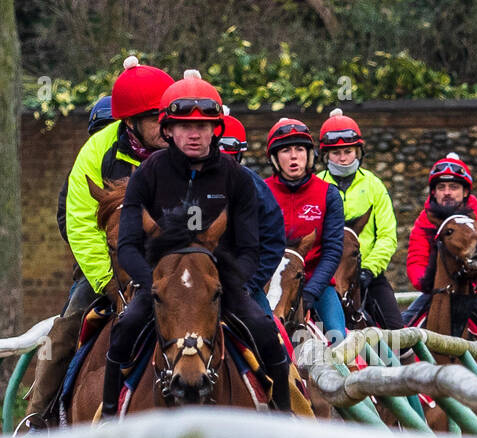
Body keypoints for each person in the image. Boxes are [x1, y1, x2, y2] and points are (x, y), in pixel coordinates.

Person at [103, 70, 293, 417]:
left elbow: (251, 249)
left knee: (266, 332)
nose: (195, 135)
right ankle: (108, 418)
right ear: (168, 130)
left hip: (222, 284)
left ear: (215, 129)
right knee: (125, 328)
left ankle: (283, 419)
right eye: (185, 127)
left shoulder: (237, 177)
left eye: (203, 126)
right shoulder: (146, 175)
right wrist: (157, 285)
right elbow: (128, 245)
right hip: (162, 284)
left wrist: (232, 287)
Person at [19, 58, 173, 431]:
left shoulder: (180, 142)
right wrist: (108, 282)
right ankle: (39, 417)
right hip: (110, 262)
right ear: (132, 120)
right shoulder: (95, 153)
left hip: (170, 259)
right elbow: (81, 224)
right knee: (71, 320)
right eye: (156, 117)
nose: (165, 124)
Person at [315, 108, 405, 331]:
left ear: (358, 152)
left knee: (398, 333)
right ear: (326, 156)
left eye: (348, 151)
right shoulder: (316, 185)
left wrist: (369, 269)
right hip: (326, 277)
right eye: (336, 153)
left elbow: (387, 236)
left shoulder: (374, 185)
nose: (343, 158)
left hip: (368, 275)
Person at [401, 152, 477, 337]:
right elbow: (416, 260)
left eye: (453, 187)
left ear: (465, 191)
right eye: (441, 187)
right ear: (433, 192)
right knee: (399, 333)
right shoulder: (424, 221)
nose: (447, 192)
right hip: (438, 292)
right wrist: (431, 285)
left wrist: (475, 283)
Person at [263, 117, 346, 343]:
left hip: (314, 283)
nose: (293, 156)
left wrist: (311, 292)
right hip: (269, 282)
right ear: (275, 158)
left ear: (309, 155)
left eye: (299, 149)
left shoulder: (329, 194)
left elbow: (333, 250)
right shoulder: (260, 191)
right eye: (286, 150)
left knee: (339, 339)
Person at [218, 108, 284, 316]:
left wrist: (249, 284)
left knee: (272, 340)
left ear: (239, 155)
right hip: (187, 285)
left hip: (241, 285)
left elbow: (273, 241)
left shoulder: (256, 188)